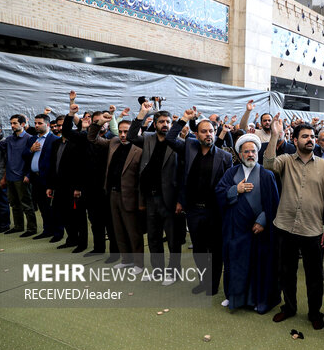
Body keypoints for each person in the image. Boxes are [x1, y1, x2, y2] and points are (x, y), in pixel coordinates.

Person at [264, 115, 324, 330]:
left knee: (314, 276)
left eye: (312, 136)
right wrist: (275, 135)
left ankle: (315, 312)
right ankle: (289, 307)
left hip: (313, 229)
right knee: (286, 272)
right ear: (295, 140)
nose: (310, 140)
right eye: (305, 136)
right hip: (285, 227)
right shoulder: (285, 161)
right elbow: (267, 163)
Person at [166, 109, 232, 295]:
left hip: (215, 211)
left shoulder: (225, 157)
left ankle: (213, 284)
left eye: (211, 131)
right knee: (199, 250)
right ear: (197, 134)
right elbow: (170, 138)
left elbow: (229, 185)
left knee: (215, 250)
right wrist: (184, 119)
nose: (208, 134)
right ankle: (203, 281)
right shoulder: (189, 147)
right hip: (194, 210)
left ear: (215, 132)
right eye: (204, 131)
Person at [215, 134, 280, 313]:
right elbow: (219, 192)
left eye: (253, 151)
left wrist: (262, 221)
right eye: (246, 152)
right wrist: (236, 189)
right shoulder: (231, 172)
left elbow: (274, 203)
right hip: (236, 230)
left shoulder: (267, 175)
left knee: (258, 266)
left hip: (258, 231)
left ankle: (256, 300)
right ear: (240, 154)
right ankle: (234, 297)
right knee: (235, 264)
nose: (250, 154)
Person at [128, 102, 181, 285]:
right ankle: (157, 271)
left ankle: (173, 273)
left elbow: (182, 174)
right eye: (161, 122)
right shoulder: (148, 138)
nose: (165, 124)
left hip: (170, 199)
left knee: (173, 240)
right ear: (155, 124)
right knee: (153, 237)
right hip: (150, 197)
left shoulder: (176, 144)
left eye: (167, 122)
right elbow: (131, 135)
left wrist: (180, 200)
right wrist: (142, 113)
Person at [63, 97, 118, 261]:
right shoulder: (82, 138)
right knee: (95, 221)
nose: (97, 124)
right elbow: (66, 132)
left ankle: (115, 252)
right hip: (89, 188)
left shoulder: (112, 140)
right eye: (95, 122)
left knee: (110, 223)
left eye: (101, 121)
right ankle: (98, 248)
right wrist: (71, 114)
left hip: (107, 188)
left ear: (107, 123)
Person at [88, 114, 144, 274]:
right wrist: (99, 123)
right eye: (120, 131)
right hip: (113, 194)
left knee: (133, 232)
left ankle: (139, 264)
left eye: (126, 132)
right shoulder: (114, 142)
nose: (123, 135)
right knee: (118, 229)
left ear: (136, 132)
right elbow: (92, 138)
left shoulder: (139, 149)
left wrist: (141, 201)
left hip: (130, 196)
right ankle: (126, 260)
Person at [0, 115, 36, 235]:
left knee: (26, 204)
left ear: (23, 124)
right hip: (10, 177)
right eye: (11, 123)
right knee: (14, 204)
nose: (12, 126)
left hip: (22, 177)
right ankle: (18, 226)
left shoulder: (29, 138)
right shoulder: (9, 139)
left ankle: (31, 229)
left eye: (15, 123)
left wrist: (28, 175)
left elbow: (32, 159)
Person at [46, 128, 87, 252]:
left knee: (78, 217)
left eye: (63, 125)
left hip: (73, 187)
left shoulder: (77, 143)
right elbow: (53, 165)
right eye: (59, 126)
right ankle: (71, 239)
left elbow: (81, 166)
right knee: (64, 215)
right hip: (59, 186)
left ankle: (82, 243)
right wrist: (50, 186)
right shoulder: (56, 143)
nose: (60, 128)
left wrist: (78, 187)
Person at [23, 114, 61, 241]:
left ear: (47, 124)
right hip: (35, 178)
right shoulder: (33, 139)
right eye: (35, 123)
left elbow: (56, 161)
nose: (37, 126)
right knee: (42, 207)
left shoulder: (55, 139)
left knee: (53, 208)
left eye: (39, 123)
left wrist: (52, 182)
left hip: (48, 179)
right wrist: (31, 150)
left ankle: (58, 232)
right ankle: (47, 230)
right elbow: (25, 156)